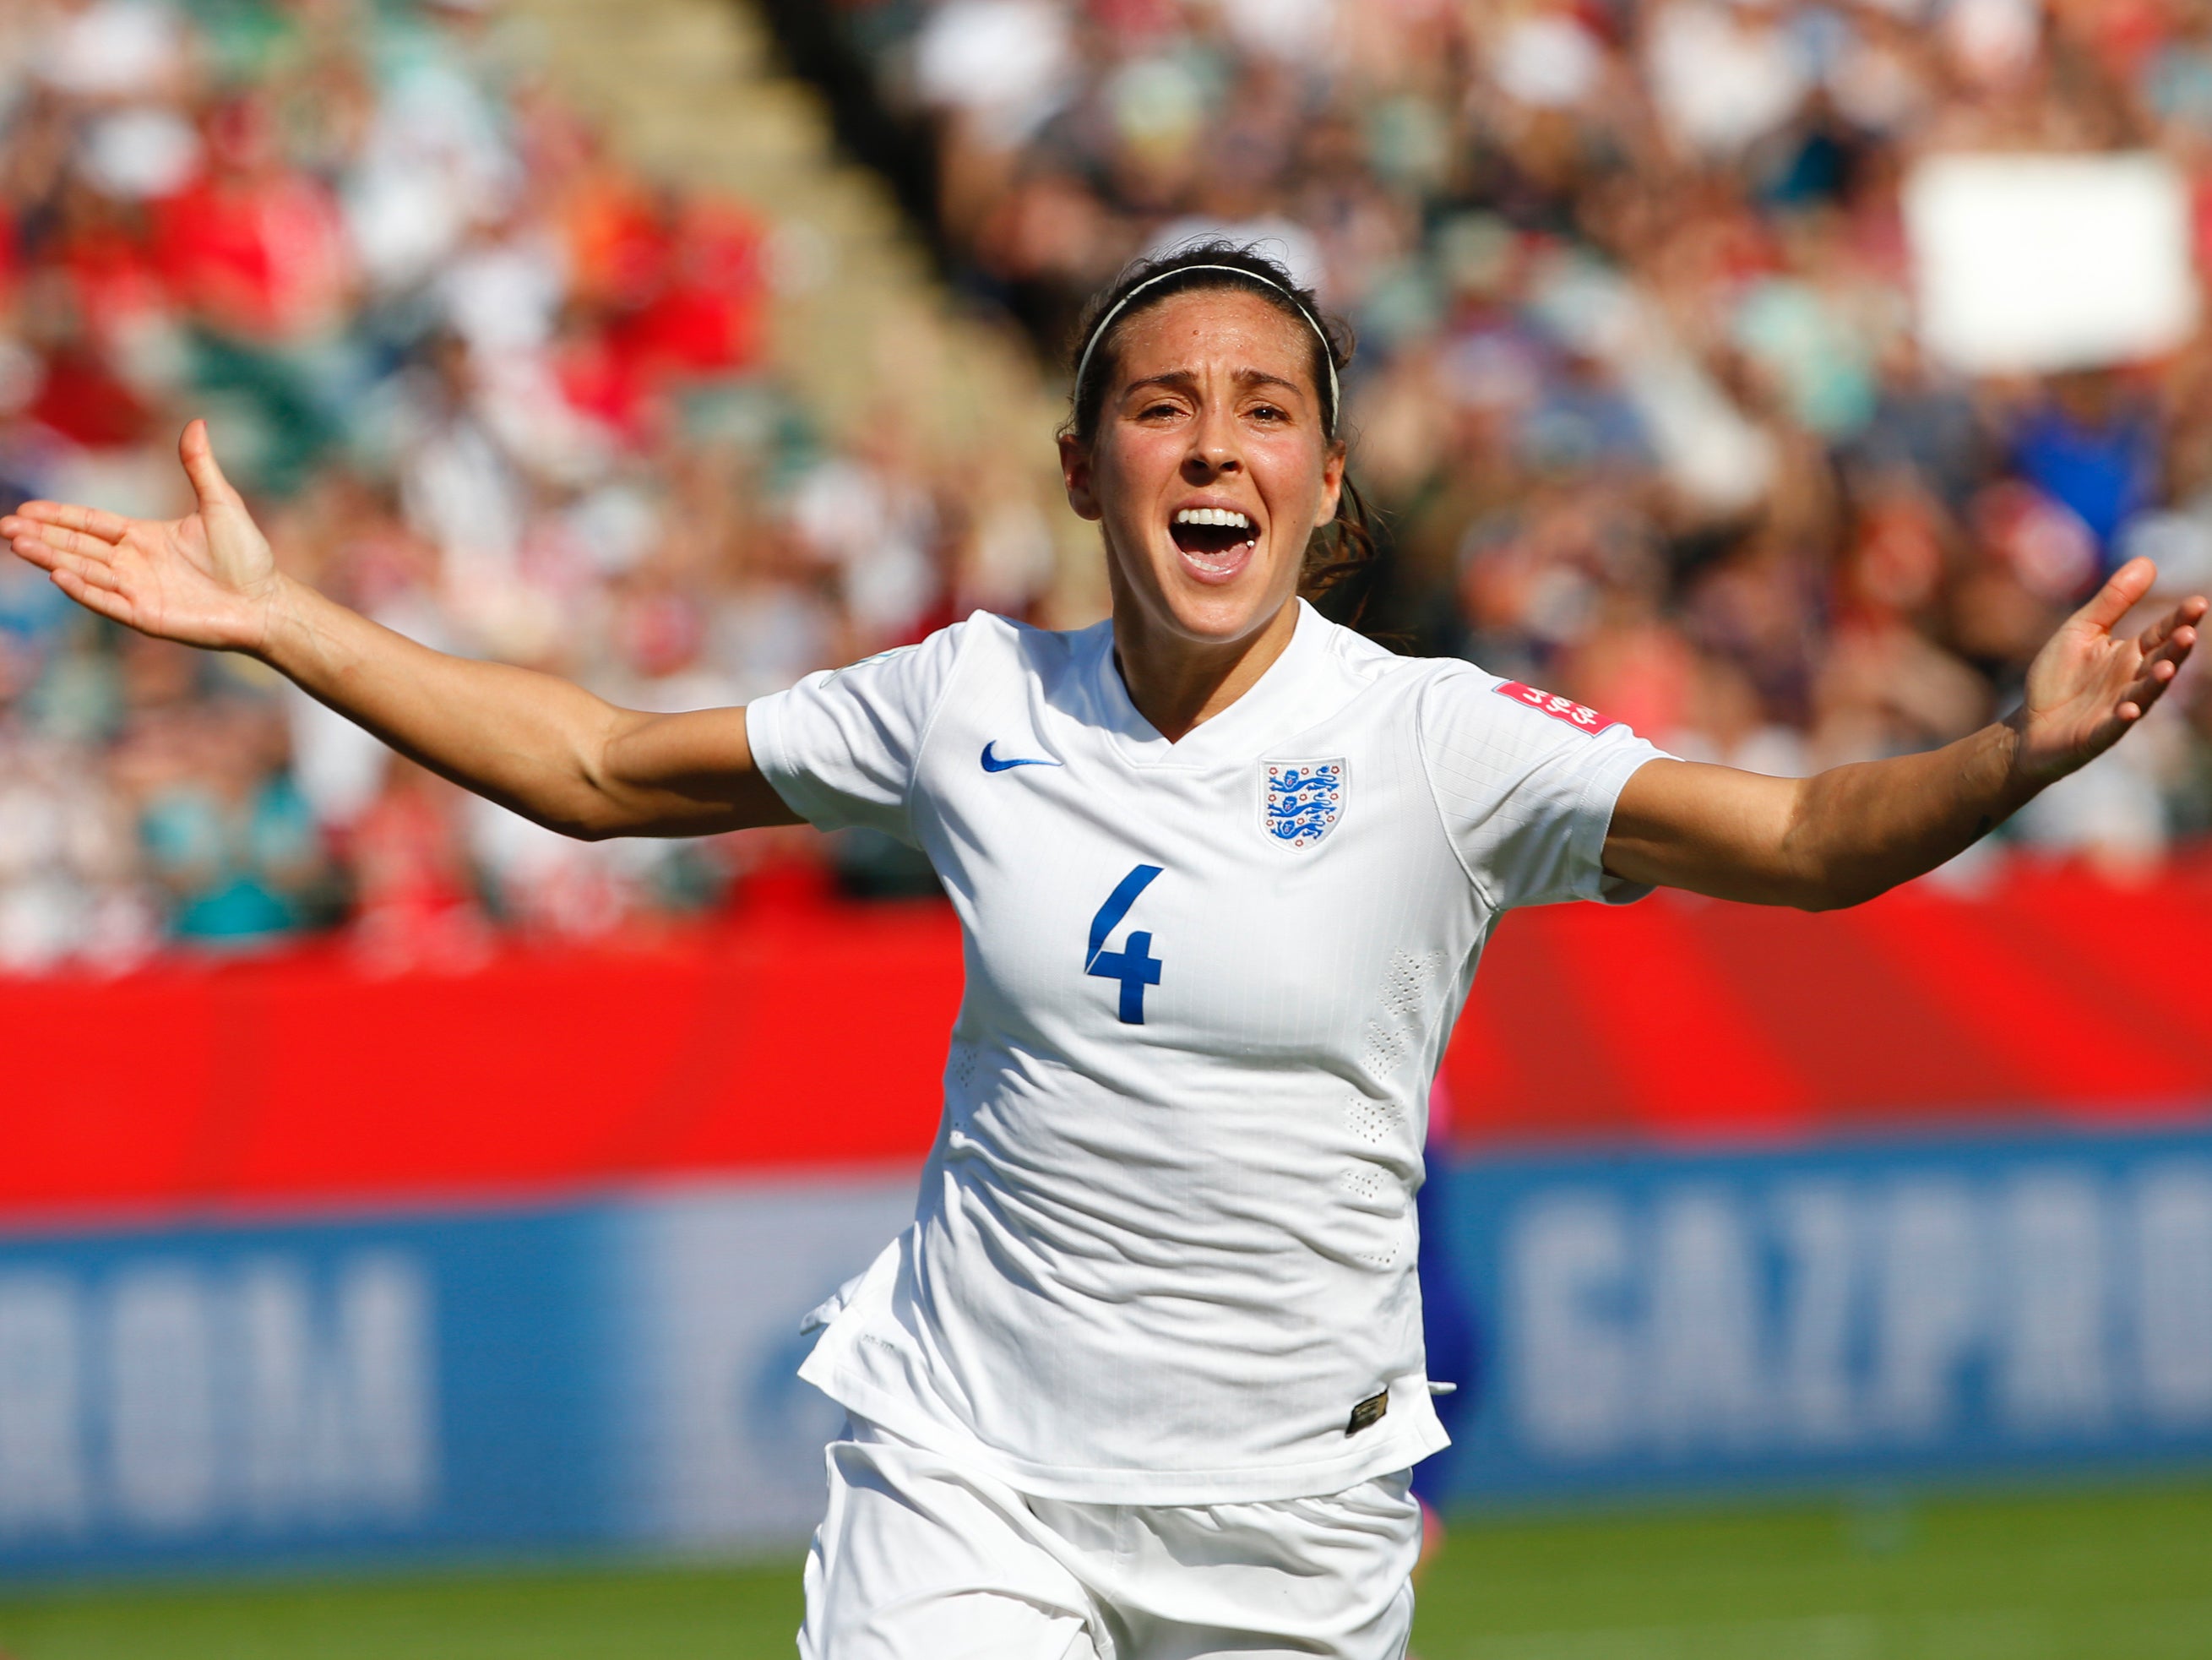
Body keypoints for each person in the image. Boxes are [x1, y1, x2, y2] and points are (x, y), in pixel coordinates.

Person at [6, 244, 2201, 1658]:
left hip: (1283, 1530)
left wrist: (2015, 750)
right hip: (974, 1476)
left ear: (1329, 486)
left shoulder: (1442, 743)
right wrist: (286, 621)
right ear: (1082, 465)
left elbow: (1807, 838)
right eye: (1162, 403)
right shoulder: (966, 698)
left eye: (1263, 404)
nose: (1213, 440)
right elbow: (594, 765)